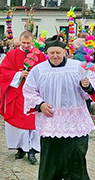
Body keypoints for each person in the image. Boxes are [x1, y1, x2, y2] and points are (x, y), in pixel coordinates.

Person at [23, 35, 95, 180]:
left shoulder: (77, 67)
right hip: (51, 123)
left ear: (65, 52)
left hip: (75, 123)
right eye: (52, 53)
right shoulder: (38, 70)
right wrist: (40, 104)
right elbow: (29, 90)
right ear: (47, 53)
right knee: (51, 163)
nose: (55, 56)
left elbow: (88, 91)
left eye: (58, 52)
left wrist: (86, 87)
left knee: (76, 161)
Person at [0, 31, 46, 164]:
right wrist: (18, 74)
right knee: (18, 122)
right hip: (18, 92)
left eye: (28, 43)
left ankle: (32, 150)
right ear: (20, 41)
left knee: (33, 122)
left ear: (32, 41)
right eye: (23, 43)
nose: (26, 45)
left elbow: (45, 71)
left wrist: (34, 75)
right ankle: (20, 148)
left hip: (34, 93)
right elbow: (3, 71)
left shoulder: (39, 55)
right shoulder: (12, 54)